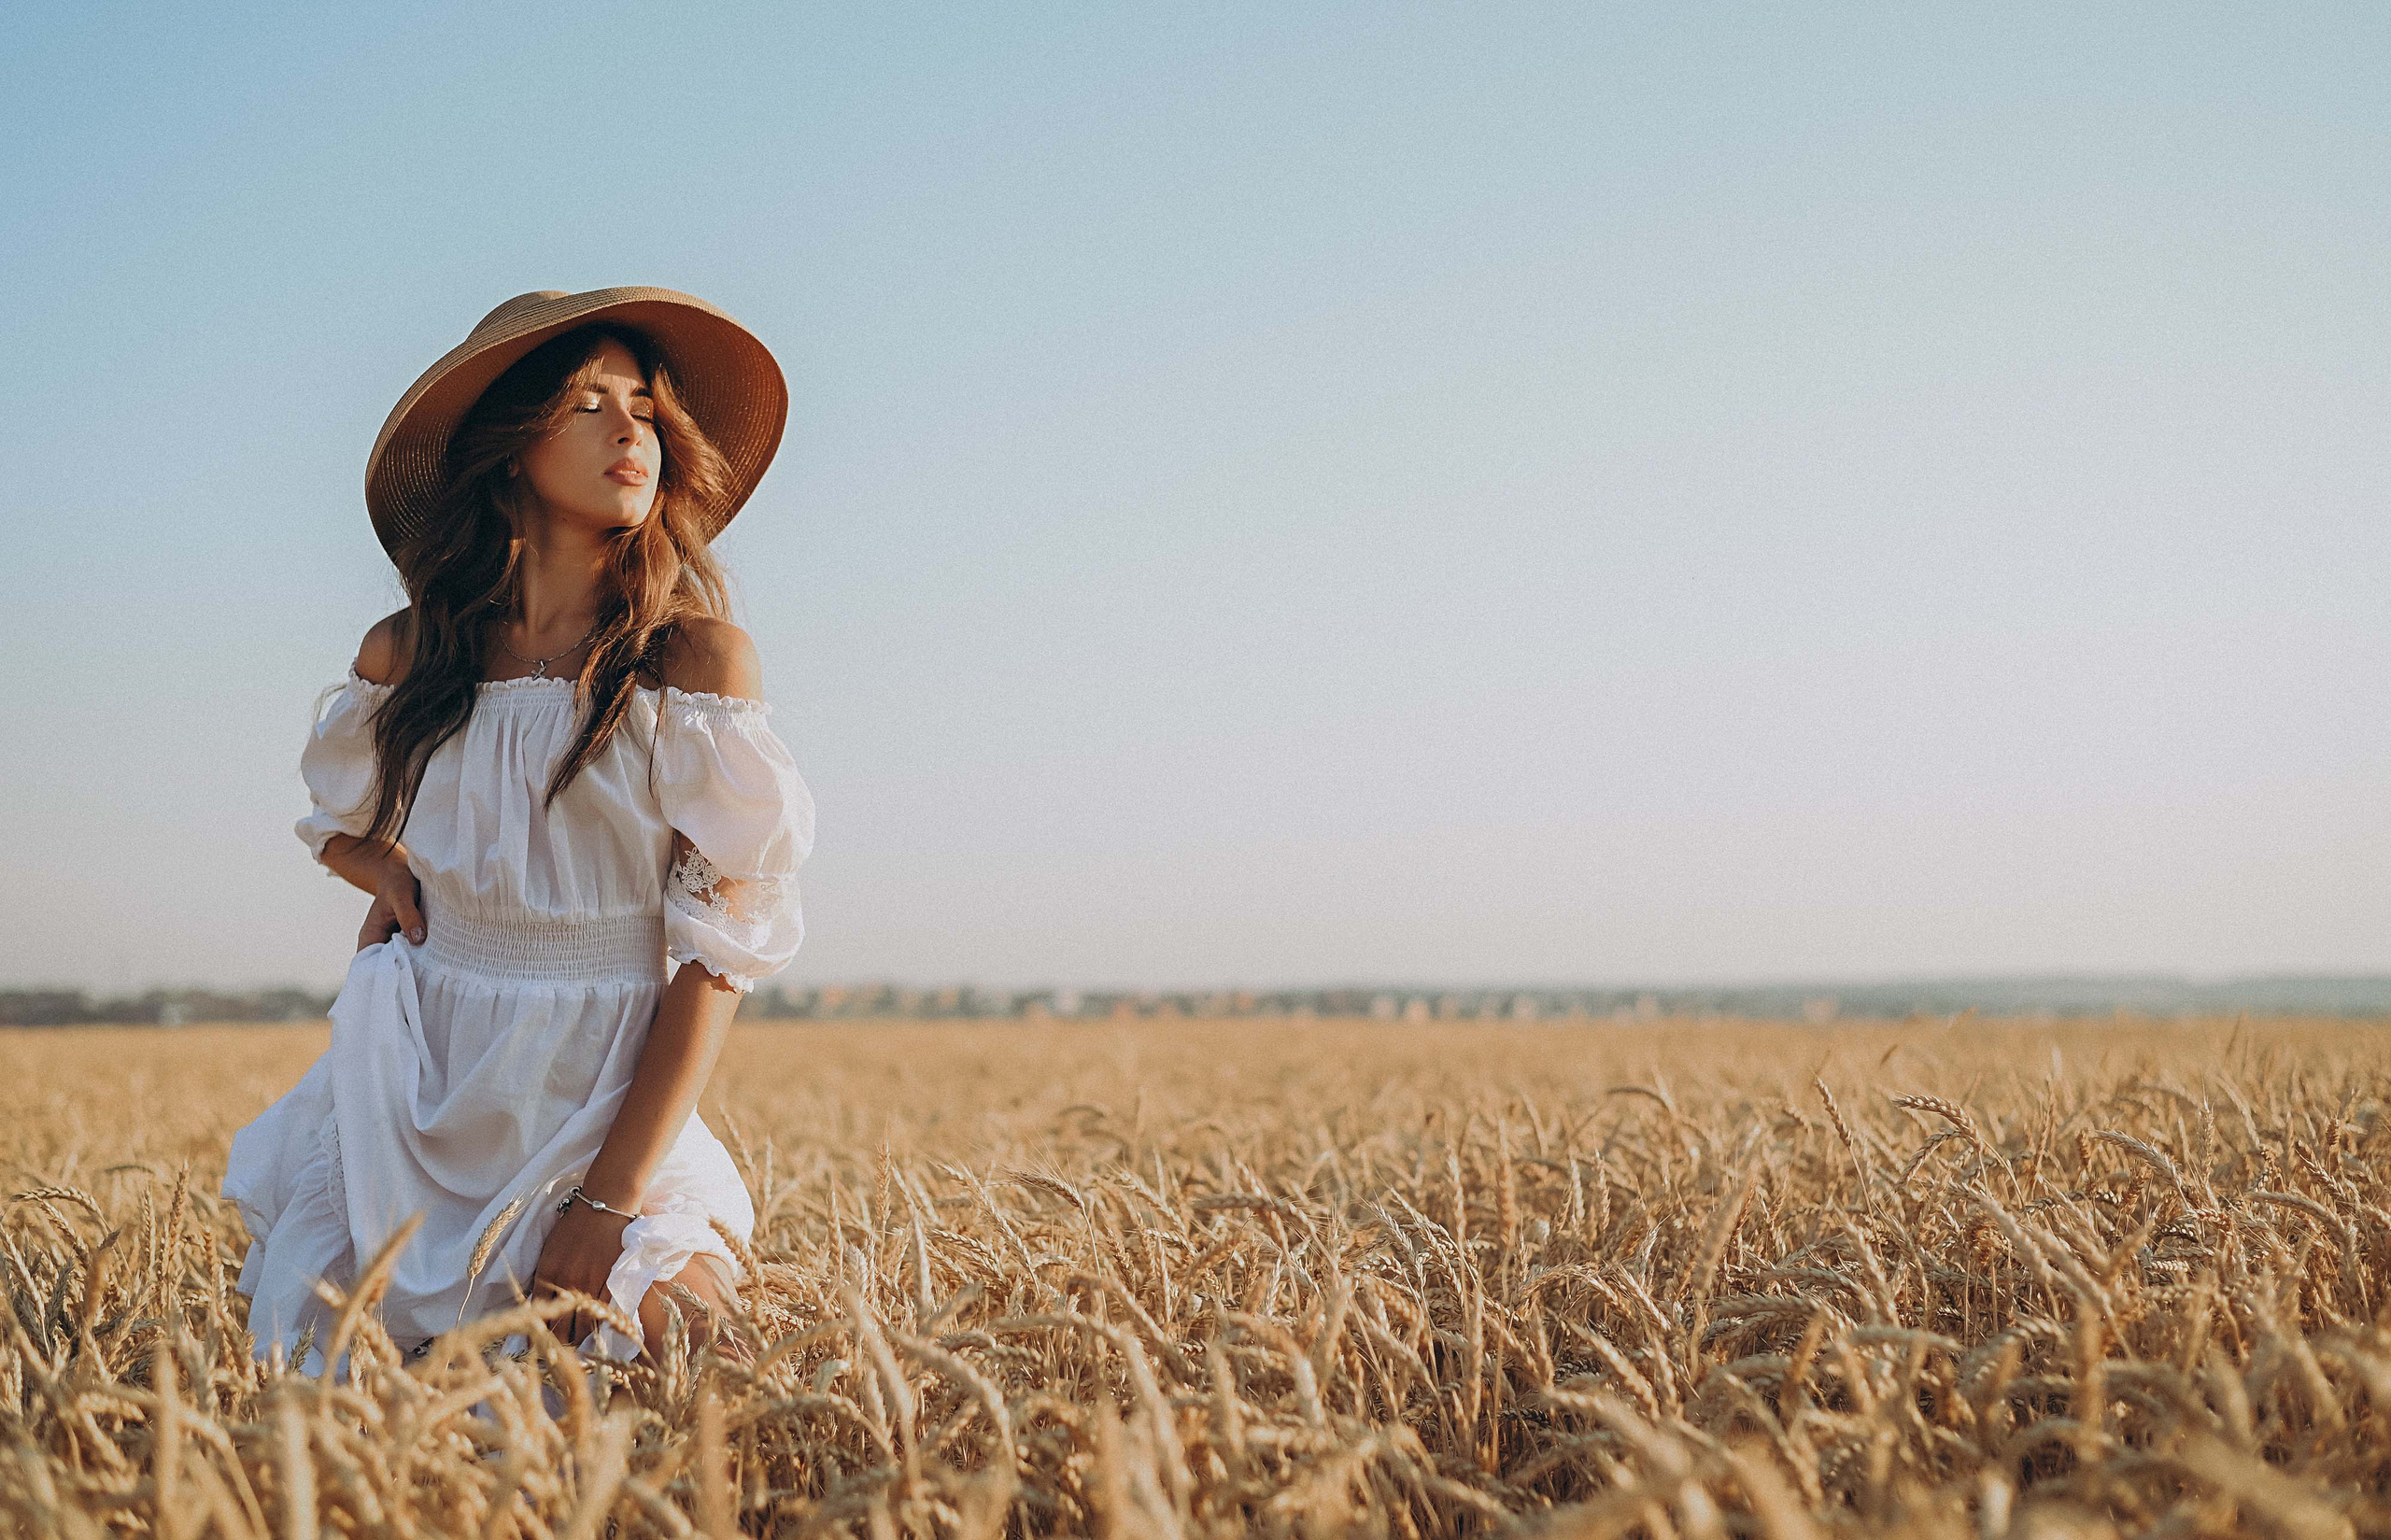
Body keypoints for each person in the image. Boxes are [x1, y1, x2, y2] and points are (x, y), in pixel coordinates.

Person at [221, 288, 813, 1375]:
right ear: (507, 453)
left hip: (601, 1099)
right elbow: (334, 817)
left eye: (644, 404)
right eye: (588, 401)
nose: (630, 429)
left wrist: (606, 1200)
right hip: (412, 1091)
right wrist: (380, 865)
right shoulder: (410, 654)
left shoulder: (693, 668)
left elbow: (715, 960)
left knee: (681, 1361)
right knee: (344, 1395)